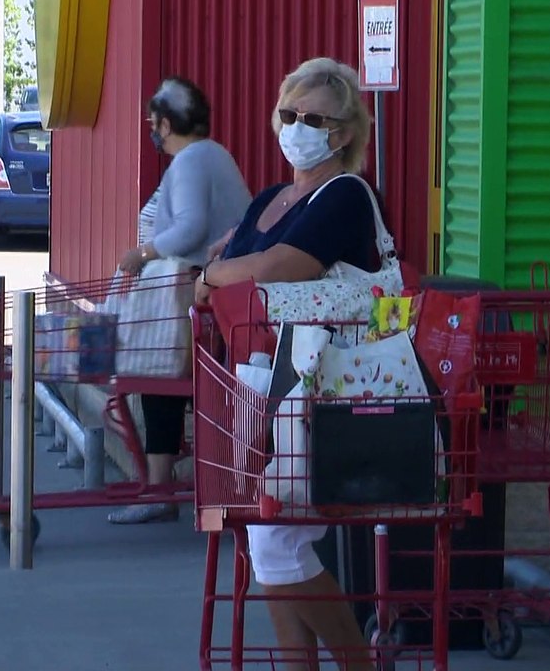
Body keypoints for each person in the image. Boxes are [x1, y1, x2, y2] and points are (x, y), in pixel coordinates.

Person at [196, 57, 379, 670]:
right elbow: (240, 260)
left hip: (319, 390)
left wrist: (214, 274)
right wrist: (222, 271)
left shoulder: (345, 196)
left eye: (315, 119)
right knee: (265, 537)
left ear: (344, 133)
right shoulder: (271, 199)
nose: (297, 128)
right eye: (289, 114)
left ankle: (358, 664)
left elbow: (280, 268)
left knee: (278, 542)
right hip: (257, 387)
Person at [107, 77, 252, 525]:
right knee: (169, 389)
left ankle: (158, 488)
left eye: (153, 123)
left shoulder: (190, 161)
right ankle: (163, 485)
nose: (153, 131)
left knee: (158, 381)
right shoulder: (214, 155)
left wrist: (143, 253)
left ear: (166, 124)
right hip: (215, 300)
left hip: (194, 300)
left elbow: (190, 228)